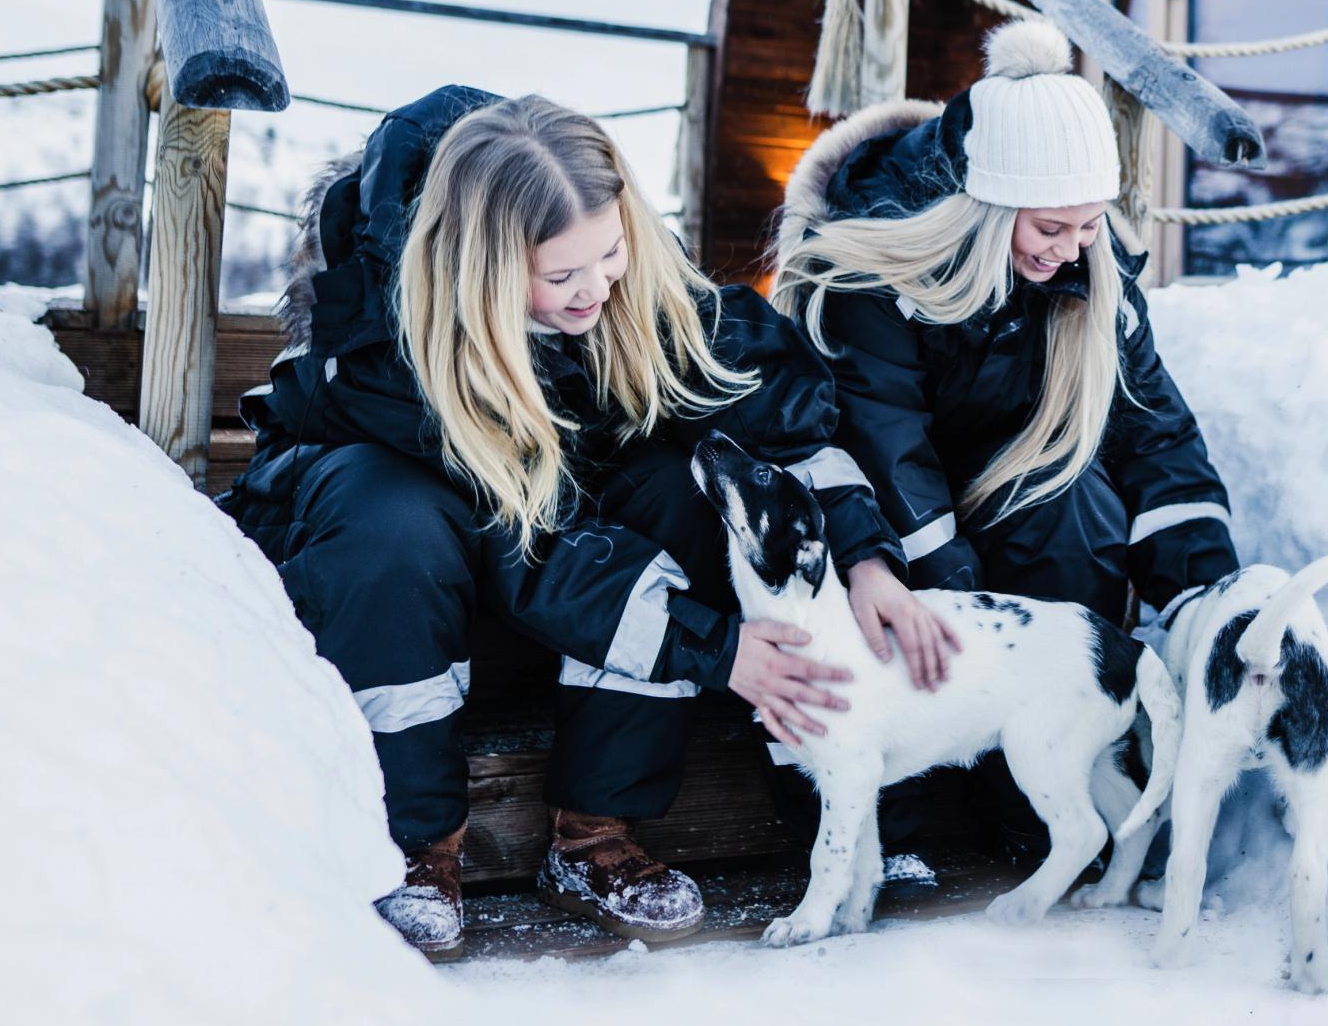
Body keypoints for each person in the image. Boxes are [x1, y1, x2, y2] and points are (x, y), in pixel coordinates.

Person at [218, 89, 903, 960]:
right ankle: (411, 842)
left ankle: (593, 833)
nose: (595, 289)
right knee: (392, 521)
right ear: (486, 269)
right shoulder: (393, 340)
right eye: (561, 275)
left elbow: (778, 408)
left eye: (610, 254)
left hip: (547, 533)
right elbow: (528, 544)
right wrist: (715, 649)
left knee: (682, 479)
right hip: (402, 545)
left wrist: (870, 555)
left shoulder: (626, 276)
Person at [768, 20, 1240, 852]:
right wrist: (959, 588)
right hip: (876, 510)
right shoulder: (869, 273)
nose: (1072, 252)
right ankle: (895, 824)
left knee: (1073, 511)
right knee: (907, 601)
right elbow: (881, 437)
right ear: (985, 208)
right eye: (1050, 229)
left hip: (995, 484)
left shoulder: (1089, 267)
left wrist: (1207, 590)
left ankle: (1052, 811)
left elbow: (1152, 429)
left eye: (1090, 225)